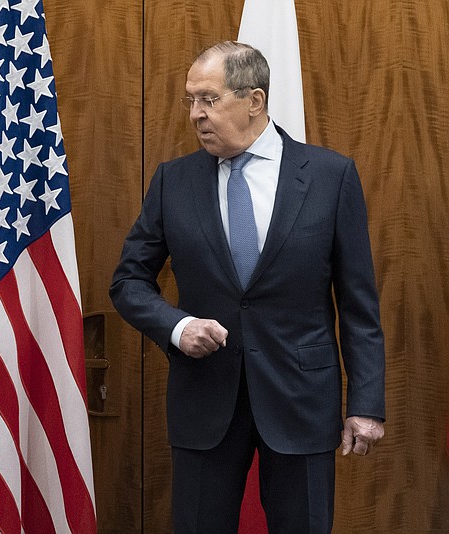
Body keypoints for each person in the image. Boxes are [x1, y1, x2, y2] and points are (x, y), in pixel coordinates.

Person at [110, 41, 385, 533]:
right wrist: (178, 326)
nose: (195, 114)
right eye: (190, 100)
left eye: (208, 100)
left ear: (254, 100)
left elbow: (358, 304)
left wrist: (365, 405)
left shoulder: (329, 176)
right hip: (204, 403)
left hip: (301, 400)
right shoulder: (174, 181)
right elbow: (128, 280)